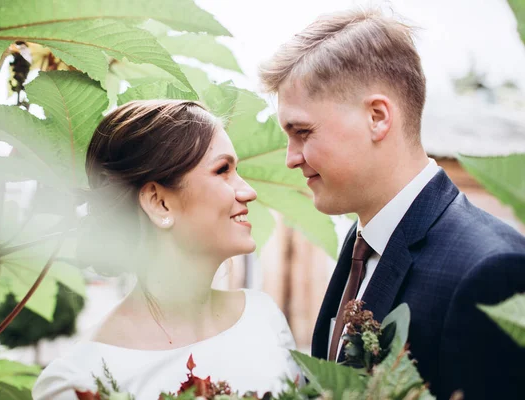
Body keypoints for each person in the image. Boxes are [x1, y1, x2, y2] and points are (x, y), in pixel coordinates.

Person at [258, 8, 525, 400]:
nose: (290, 158)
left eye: (303, 132)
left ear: (378, 118)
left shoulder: (490, 269)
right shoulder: (361, 242)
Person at [32, 100, 302, 399]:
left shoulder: (263, 318)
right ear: (159, 203)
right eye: (223, 170)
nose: (248, 191)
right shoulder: (79, 380)